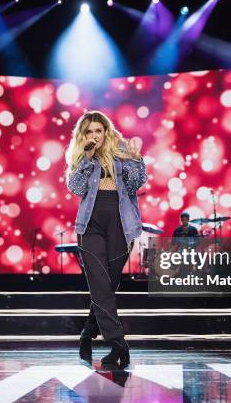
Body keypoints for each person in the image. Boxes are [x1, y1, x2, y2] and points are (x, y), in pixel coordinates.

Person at [65, 110, 147, 367]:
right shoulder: (81, 156)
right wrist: (87, 158)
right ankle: (117, 343)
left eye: (97, 131)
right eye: (88, 131)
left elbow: (136, 183)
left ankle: (87, 334)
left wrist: (136, 158)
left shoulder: (122, 151)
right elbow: (76, 187)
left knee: (106, 286)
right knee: (100, 283)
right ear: (83, 135)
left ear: (106, 131)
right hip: (90, 225)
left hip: (121, 224)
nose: (94, 135)